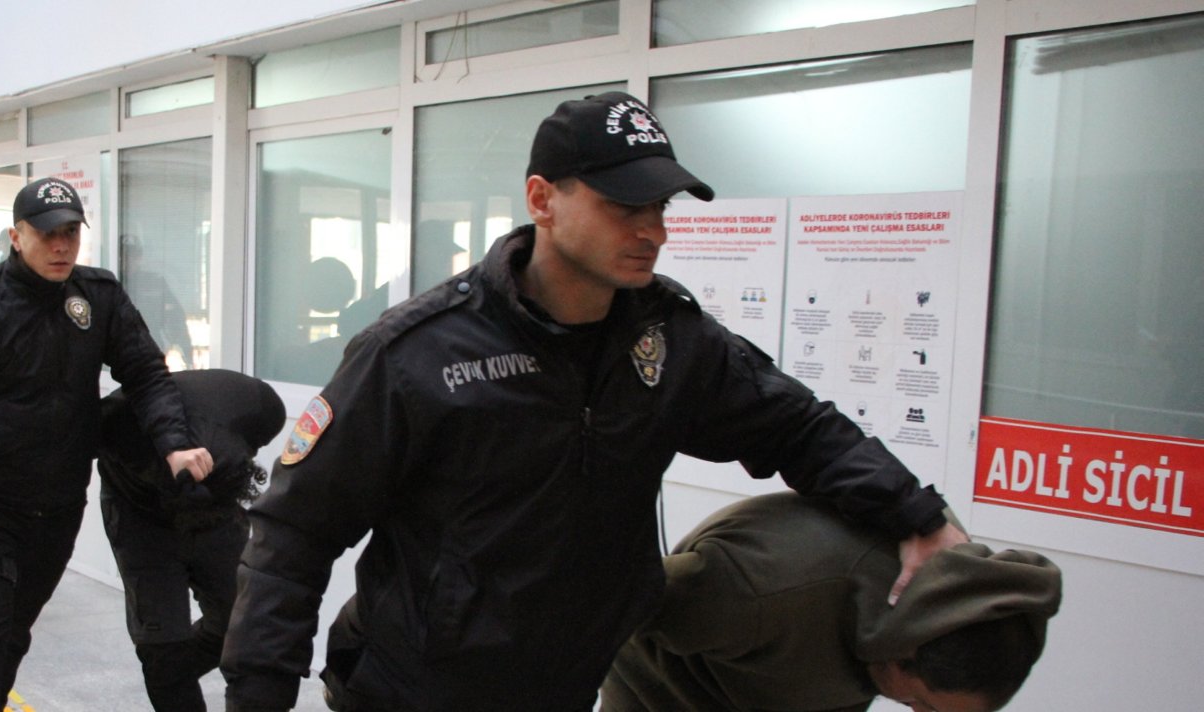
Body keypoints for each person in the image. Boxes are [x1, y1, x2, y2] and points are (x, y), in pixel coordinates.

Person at [219, 91, 969, 712]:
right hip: (416, 690)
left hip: (570, 683)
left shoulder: (671, 341)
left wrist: (918, 515)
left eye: (663, 206)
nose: (654, 230)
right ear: (542, 200)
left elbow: (797, 427)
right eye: (624, 205)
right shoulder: (419, 353)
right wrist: (259, 692)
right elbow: (294, 531)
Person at [0, 176, 216, 712]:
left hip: (56, 510)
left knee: (11, 638)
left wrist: (174, 444)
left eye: (70, 232)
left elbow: (145, 372)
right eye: (47, 234)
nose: (61, 245)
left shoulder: (97, 297)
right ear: (16, 236)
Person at [600, 493, 1062, 712]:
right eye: (924, 706)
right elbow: (610, 599)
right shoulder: (760, 590)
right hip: (666, 694)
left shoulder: (954, 580)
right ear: (902, 655)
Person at [98, 369, 286, 712]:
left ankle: (173, 677)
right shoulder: (117, 424)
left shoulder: (258, 413)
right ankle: (170, 675)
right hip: (136, 509)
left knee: (241, 621)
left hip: (213, 492)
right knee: (160, 643)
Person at [121, 234, 195, 369]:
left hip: (150, 354)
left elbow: (176, 319)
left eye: (134, 256)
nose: (129, 261)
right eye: (125, 256)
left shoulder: (154, 283)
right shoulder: (106, 286)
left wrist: (187, 354)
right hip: (118, 357)